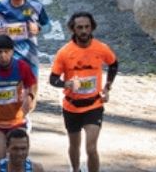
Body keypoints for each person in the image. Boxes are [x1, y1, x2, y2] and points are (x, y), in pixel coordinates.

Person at [50, 12, 118, 172]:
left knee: (91, 148)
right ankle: (75, 170)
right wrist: (66, 84)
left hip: (94, 105)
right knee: (74, 145)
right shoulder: (64, 52)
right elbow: (53, 79)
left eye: (87, 27)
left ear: (92, 27)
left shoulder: (101, 48)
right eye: (79, 27)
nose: (84, 31)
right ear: (73, 29)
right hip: (71, 106)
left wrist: (107, 86)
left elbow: (113, 64)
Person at [0, 34, 38, 164]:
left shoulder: (21, 67)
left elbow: (32, 84)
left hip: (18, 121)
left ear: (12, 52)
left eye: (6, 51)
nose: (3, 55)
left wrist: (31, 98)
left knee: (18, 160)